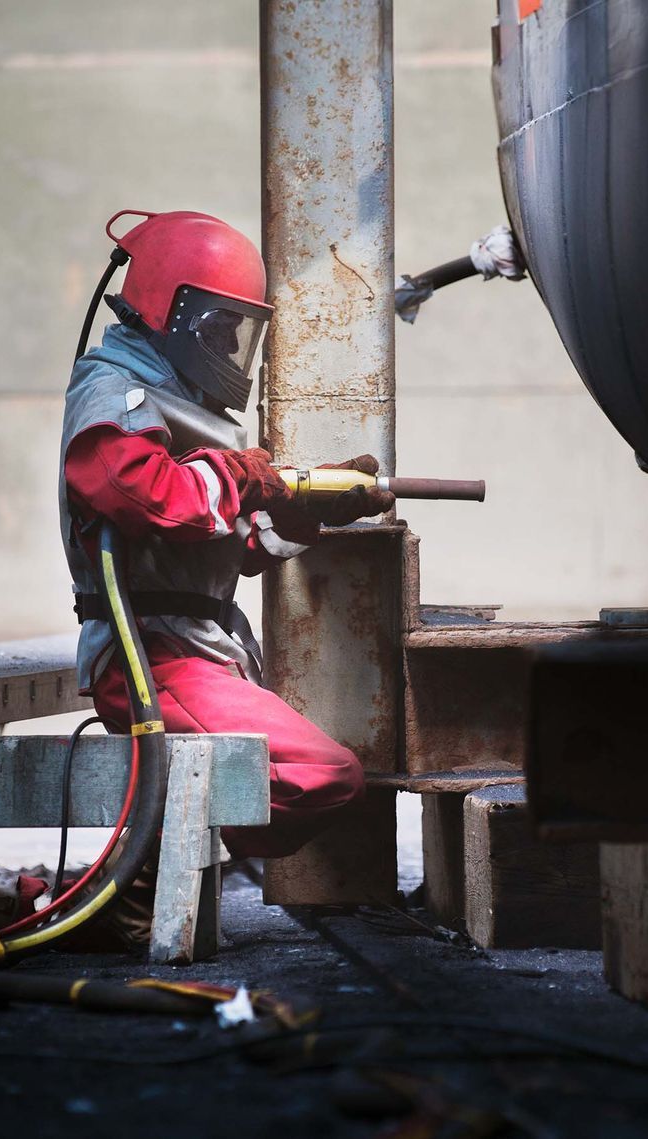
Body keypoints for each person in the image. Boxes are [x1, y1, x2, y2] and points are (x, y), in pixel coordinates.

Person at [61, 209, 394, 865]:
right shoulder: (111, 389)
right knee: (320, 777)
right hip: (150, 661)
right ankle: (148, 871)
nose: (225, 342)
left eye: (234, 328)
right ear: (170, 308)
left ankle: (155, 864)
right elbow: (144, 494)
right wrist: (241, 475)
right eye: (215, 324)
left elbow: (222, 548)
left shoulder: (176, 405)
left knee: (326, 777)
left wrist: (308, 510)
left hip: (193, 653)